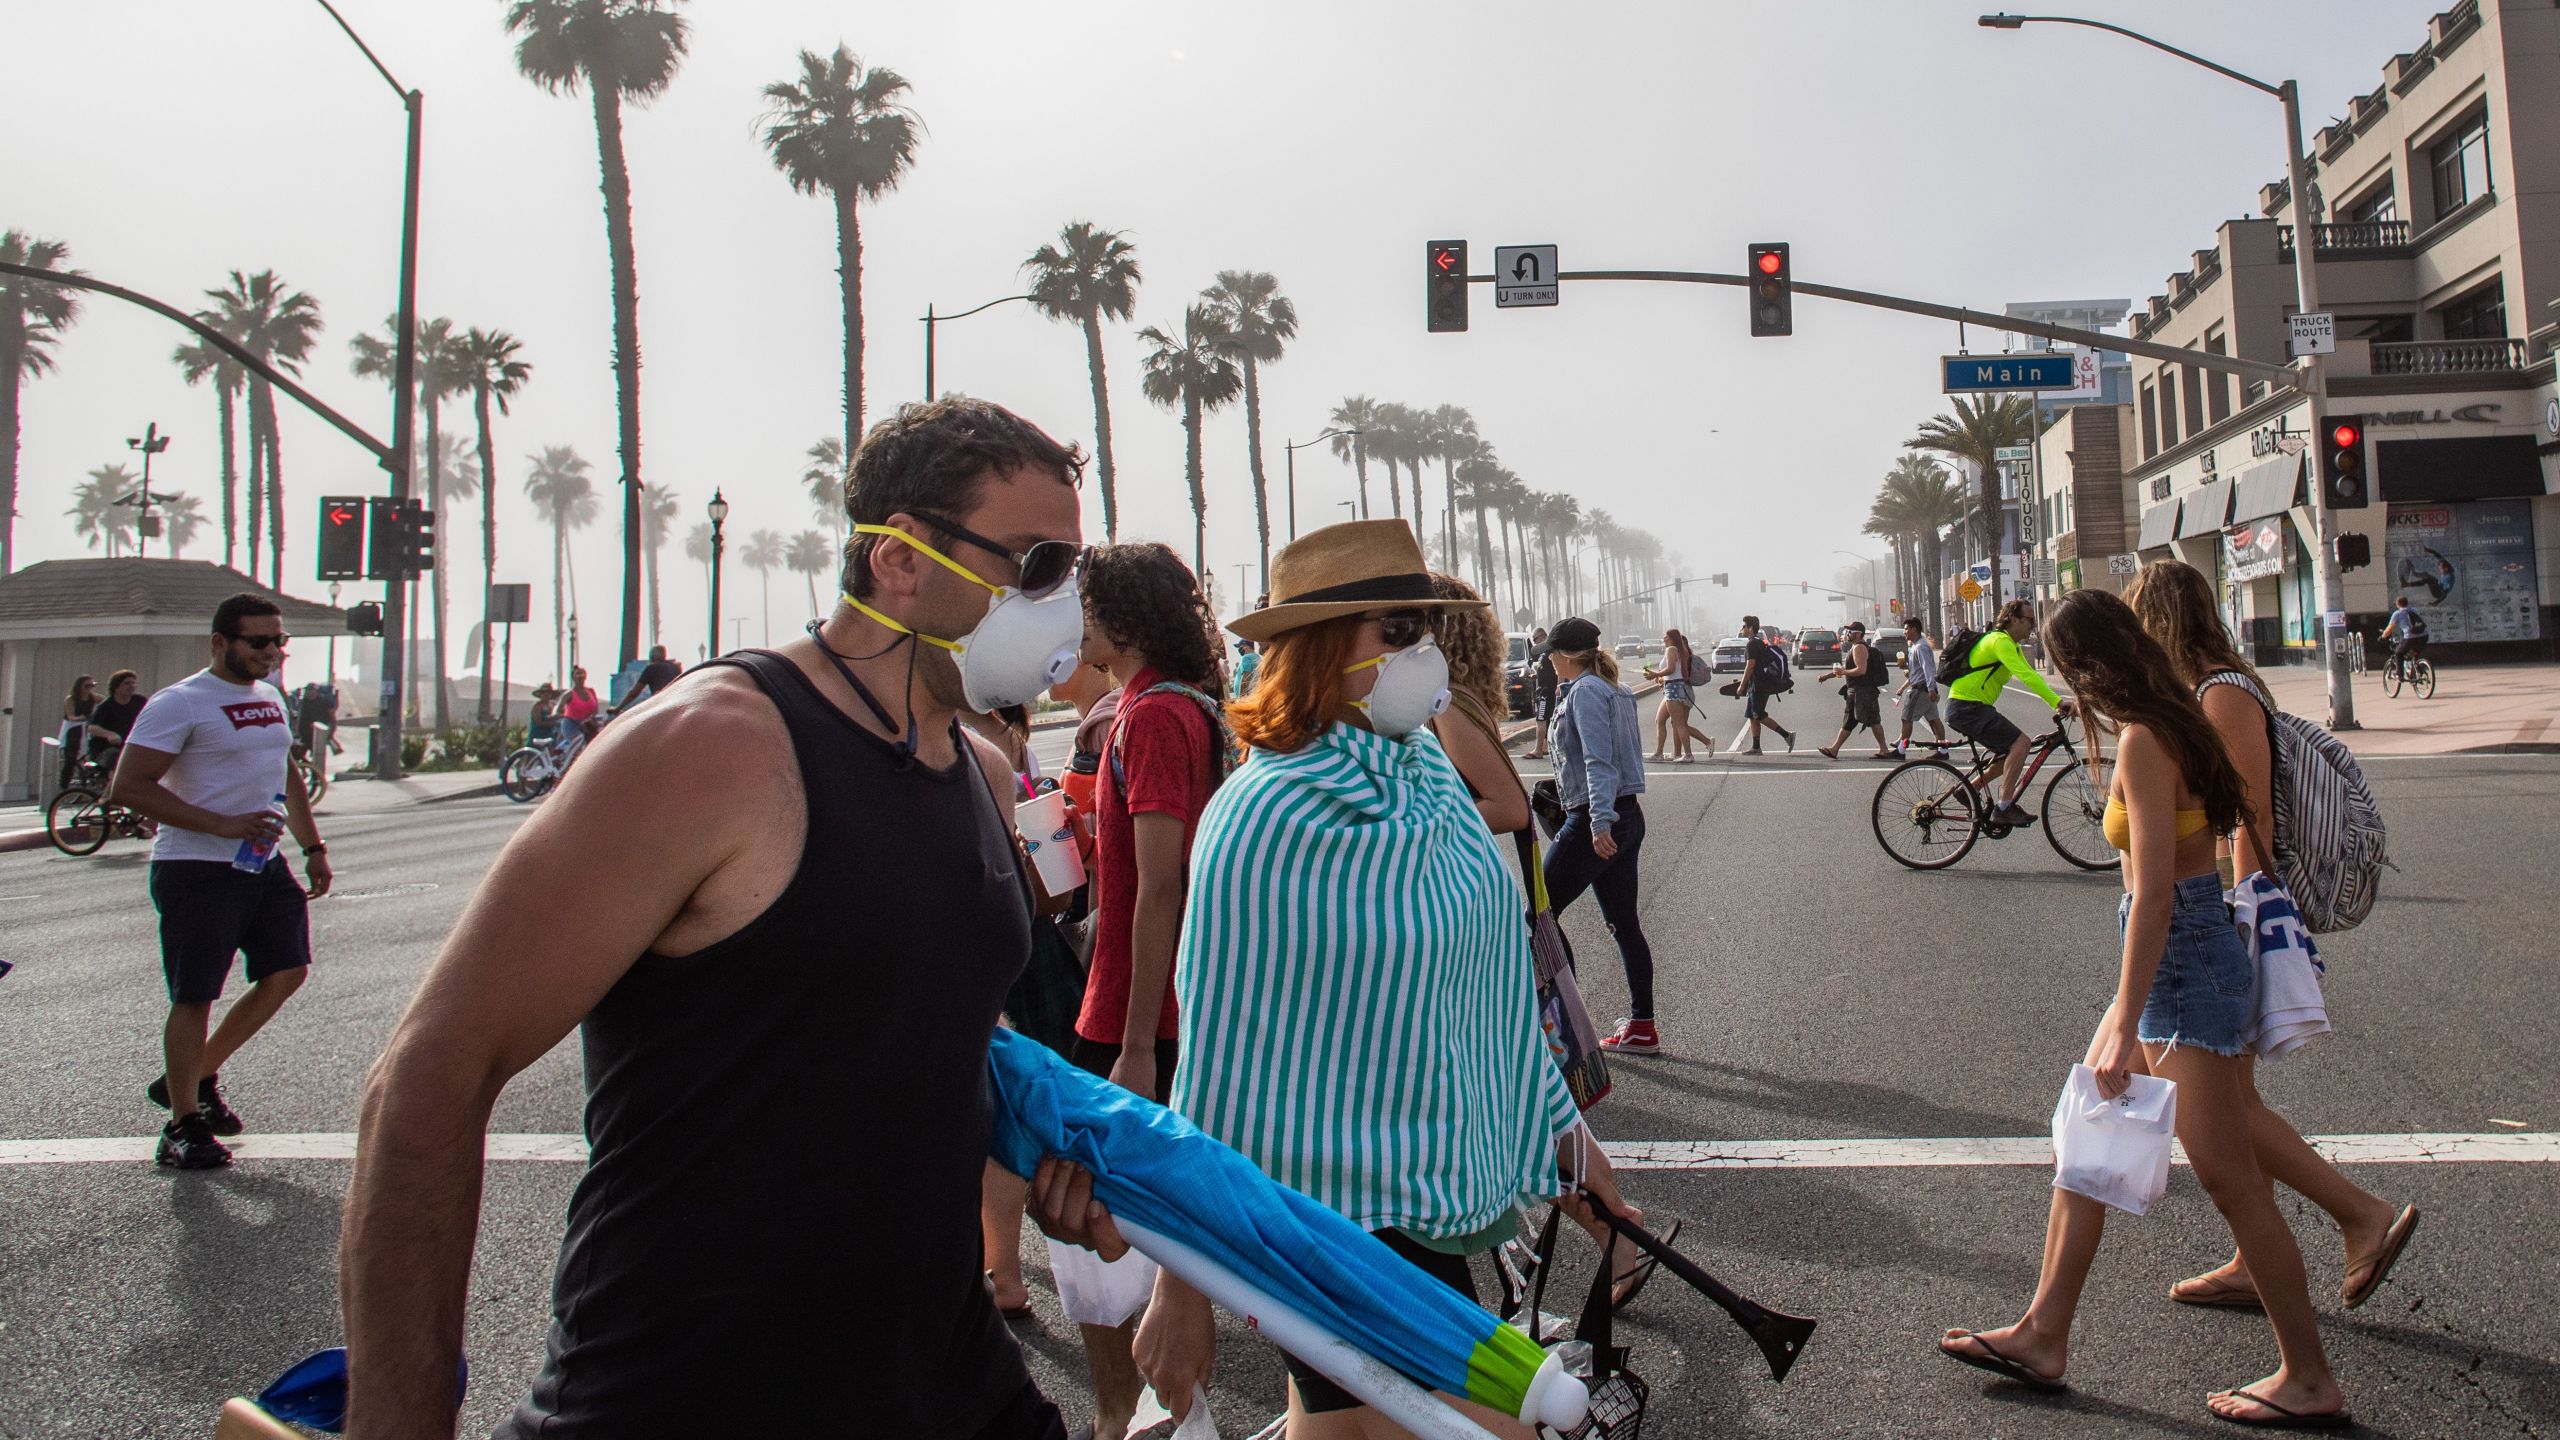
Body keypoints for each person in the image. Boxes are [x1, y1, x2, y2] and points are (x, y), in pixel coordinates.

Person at [339, 397, 1125, 1439]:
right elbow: (429, 1074)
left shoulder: (981, 772)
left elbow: (924, 1021)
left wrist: (1060, 1145)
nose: (1061, 603)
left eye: (1072, 571)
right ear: (897, 562)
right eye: (1034, 566)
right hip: (685, 1394)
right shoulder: (709, 749)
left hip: (945, 1383)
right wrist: (399, 1422)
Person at [1133, 521, 1638, 1434]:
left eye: (1429, 630)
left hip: (1438, 1182)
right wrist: (1182, 1281)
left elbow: (1485, 1004)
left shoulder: (1428, 777)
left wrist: (1576, 1154)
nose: (1426, 654)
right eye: (1398, 632)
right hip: (1327, 1220)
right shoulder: (1264, 816)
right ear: (1323, 652)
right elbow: (1217, 1064)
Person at [1941, 588, 2354, 1429]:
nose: (2063, 682)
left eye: (2063, 665)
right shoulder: (2179, 718)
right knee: (2090, 1134)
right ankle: (2042, 1330)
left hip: (2183, 960)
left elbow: (2160, 893)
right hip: (2183, 954)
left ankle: (2309, 1378)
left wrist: (2127, 1018)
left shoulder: (2143, 737)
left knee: (2234, 1181)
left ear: (2088, 662)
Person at [2125, 560, 2420, 1318]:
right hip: (2214, 914)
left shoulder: (2222, 694)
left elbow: (2247, 819)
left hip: (2229, 917)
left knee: (2220, 1109)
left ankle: (2360, 1214)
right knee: (2230, 1103)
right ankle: (2256, 1257)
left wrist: (2240, 918)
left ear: (2158, 622)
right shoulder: (2206, 691)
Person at [1060, 541, 1229, 1440]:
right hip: (1143, 1003)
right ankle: (1142, 1412)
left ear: (1120, 617)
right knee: (1107, 1232)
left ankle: (1133, 1415)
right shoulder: (1152, 706)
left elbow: (1163, 884)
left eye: (1082, 605)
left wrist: (1131, 1047)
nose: (1067, 622)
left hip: (1140, 1012)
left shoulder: (1157, 717)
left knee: (1096, 1237)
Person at [110, 595, 333, 1170]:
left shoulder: (271, 698)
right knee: (195, 994)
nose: (271, 653)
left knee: (286, 972)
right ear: (220, 643)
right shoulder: (180, 703)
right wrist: (221, 824)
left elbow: (285, 772)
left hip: (261, 863)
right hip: (194, 868)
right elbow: (129, 786)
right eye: (258, 642)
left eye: (278, 642)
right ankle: (182, 1125)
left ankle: (196, 1074)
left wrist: (312, 848)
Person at [1544, 616, 1661, 1056]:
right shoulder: (1614, 689)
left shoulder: (1587, 692)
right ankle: (1642, 1026)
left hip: (1599, 819)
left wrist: (1598, 822)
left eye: (1551, 655)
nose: (1549, 662)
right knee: (1624, 924)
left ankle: (1566, 1030)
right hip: (1626, 816)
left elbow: (1599, 761)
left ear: (1564, 655)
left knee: (1538, 917)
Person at [1944, 599, 2077, 826]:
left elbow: (2028, 671)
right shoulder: (1999, 641)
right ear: (2013, 620)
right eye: (2029, 620)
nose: (2032, 625)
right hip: (1966, 707)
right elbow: (2027, 676)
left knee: (2009, 754)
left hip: (1973, 706)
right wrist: (2056, 701)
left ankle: (1968, 790)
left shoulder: (2011, 645)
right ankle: (2004, 808)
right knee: (2021, 743)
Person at [1427, 573, 1532, 836]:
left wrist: (1418, 832)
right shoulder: (1450, 698)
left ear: (1437, 631)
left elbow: (1510, 809)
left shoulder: (1447, 704)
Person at [1816, 621, 1895, 760]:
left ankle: (1884, 749)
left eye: (1850, 632)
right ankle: (1834, 749)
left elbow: (1861, 670)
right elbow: (1846, 669)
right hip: (1857, 691)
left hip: (1863, 691)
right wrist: (1827, 676)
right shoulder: (1855, 647)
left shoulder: (1859, 648)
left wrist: (1844, 672)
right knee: (1851, 721)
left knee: (1873, 720)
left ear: (1858, 634)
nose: (1847, 634)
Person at [1644, 627, 1715, 763]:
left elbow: (1670, 669)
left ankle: (1688, 755)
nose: (1664, 638)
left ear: (1671, 638)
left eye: (1665, 636)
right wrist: (1660, 677)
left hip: (1674, 688)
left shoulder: (1671, 649)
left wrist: (1656, 674)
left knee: (1679, 724)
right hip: (1674, 687)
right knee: (1660, 720)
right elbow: (1674, 670)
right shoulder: (1679, 650)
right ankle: (1659, 752)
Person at [1736, 616, 1796, 755]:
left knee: (1759, 715)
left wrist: (1742, 685)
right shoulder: (1758, 642)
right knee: (1752, 715)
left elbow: (1750, 665)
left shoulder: (1752, 644)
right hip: (1757, 684)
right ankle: (1756, 747)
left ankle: (1787, 735)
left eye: (1744, 626)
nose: (1742, 629)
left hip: (1760, 685)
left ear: (1750, 628)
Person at [1894, 617, 1949, 756]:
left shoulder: (1921, 646)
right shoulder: (1915, 646)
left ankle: (1901, 750)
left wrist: (1931, 689)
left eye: (1906, 628)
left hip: (1921, 690)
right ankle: (1942, 750)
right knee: (1934, 720)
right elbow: (1918, 671)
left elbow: (1928, 669)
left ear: (1914, 629)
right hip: (1923, 688)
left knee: (1906, 719)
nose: (1904, 632)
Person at [86, 670, 146, 769]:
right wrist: (109, 734)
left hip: (130, 746)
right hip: (106, 749)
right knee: (114, 755)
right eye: (127, 683)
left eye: (133, 683)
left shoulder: (140, 701)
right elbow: (91, 727)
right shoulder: (106, 705)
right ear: (116, 687)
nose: (132, 686)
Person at [612, 644, 682, 714]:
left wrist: (618, 708)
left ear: (651, 657)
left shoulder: (651, 668)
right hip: (676, 704)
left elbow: (635, 692)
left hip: (661, 705)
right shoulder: (675, 667)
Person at [1526, 625, 1559, 760]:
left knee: (1541, 720)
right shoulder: (1543, 653)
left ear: (1542, 637)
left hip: (1547, 691)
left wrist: (1559, 685)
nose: (1534, 643)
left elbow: (1558, 669)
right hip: (1543, 689)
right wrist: (1536, 676)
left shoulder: (1550, 651)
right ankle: (1544, 746)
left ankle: (1538, 749)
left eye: (1535, 639)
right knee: (1547, 720)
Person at [59, 674, 98, 789]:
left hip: (84, 728)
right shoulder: (71, 699)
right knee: (70, 758)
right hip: (72, 728)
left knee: (92, 749)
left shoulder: (93, 697)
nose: (90, 688)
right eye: (87, 686)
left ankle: (90, 775)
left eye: (92, 685)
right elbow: (71, 716)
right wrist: (82, 717)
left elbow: (106, 702)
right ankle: (64, 786)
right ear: (79, 686)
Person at [2380, 594, 2428, 677]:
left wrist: (2382, 636)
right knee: (2415, 654)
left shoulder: (2397, 613)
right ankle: (2419, 672)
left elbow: (2389, 628)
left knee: (2399, 653)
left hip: (2410, 637)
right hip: (2423, 636)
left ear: (2398, 604)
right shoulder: (2414, 610)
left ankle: (2399, 675)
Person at [559, 665, 602, 739]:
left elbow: (596, 709)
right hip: (572, 724)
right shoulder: (568, 694)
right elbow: (559, 709)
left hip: (588, 724)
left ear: (585, 676)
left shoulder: (591, 691)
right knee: (577, 747)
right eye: (577, 674)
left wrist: (591, 718)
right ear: (573, 677)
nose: (580, 676)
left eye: (582, 673)